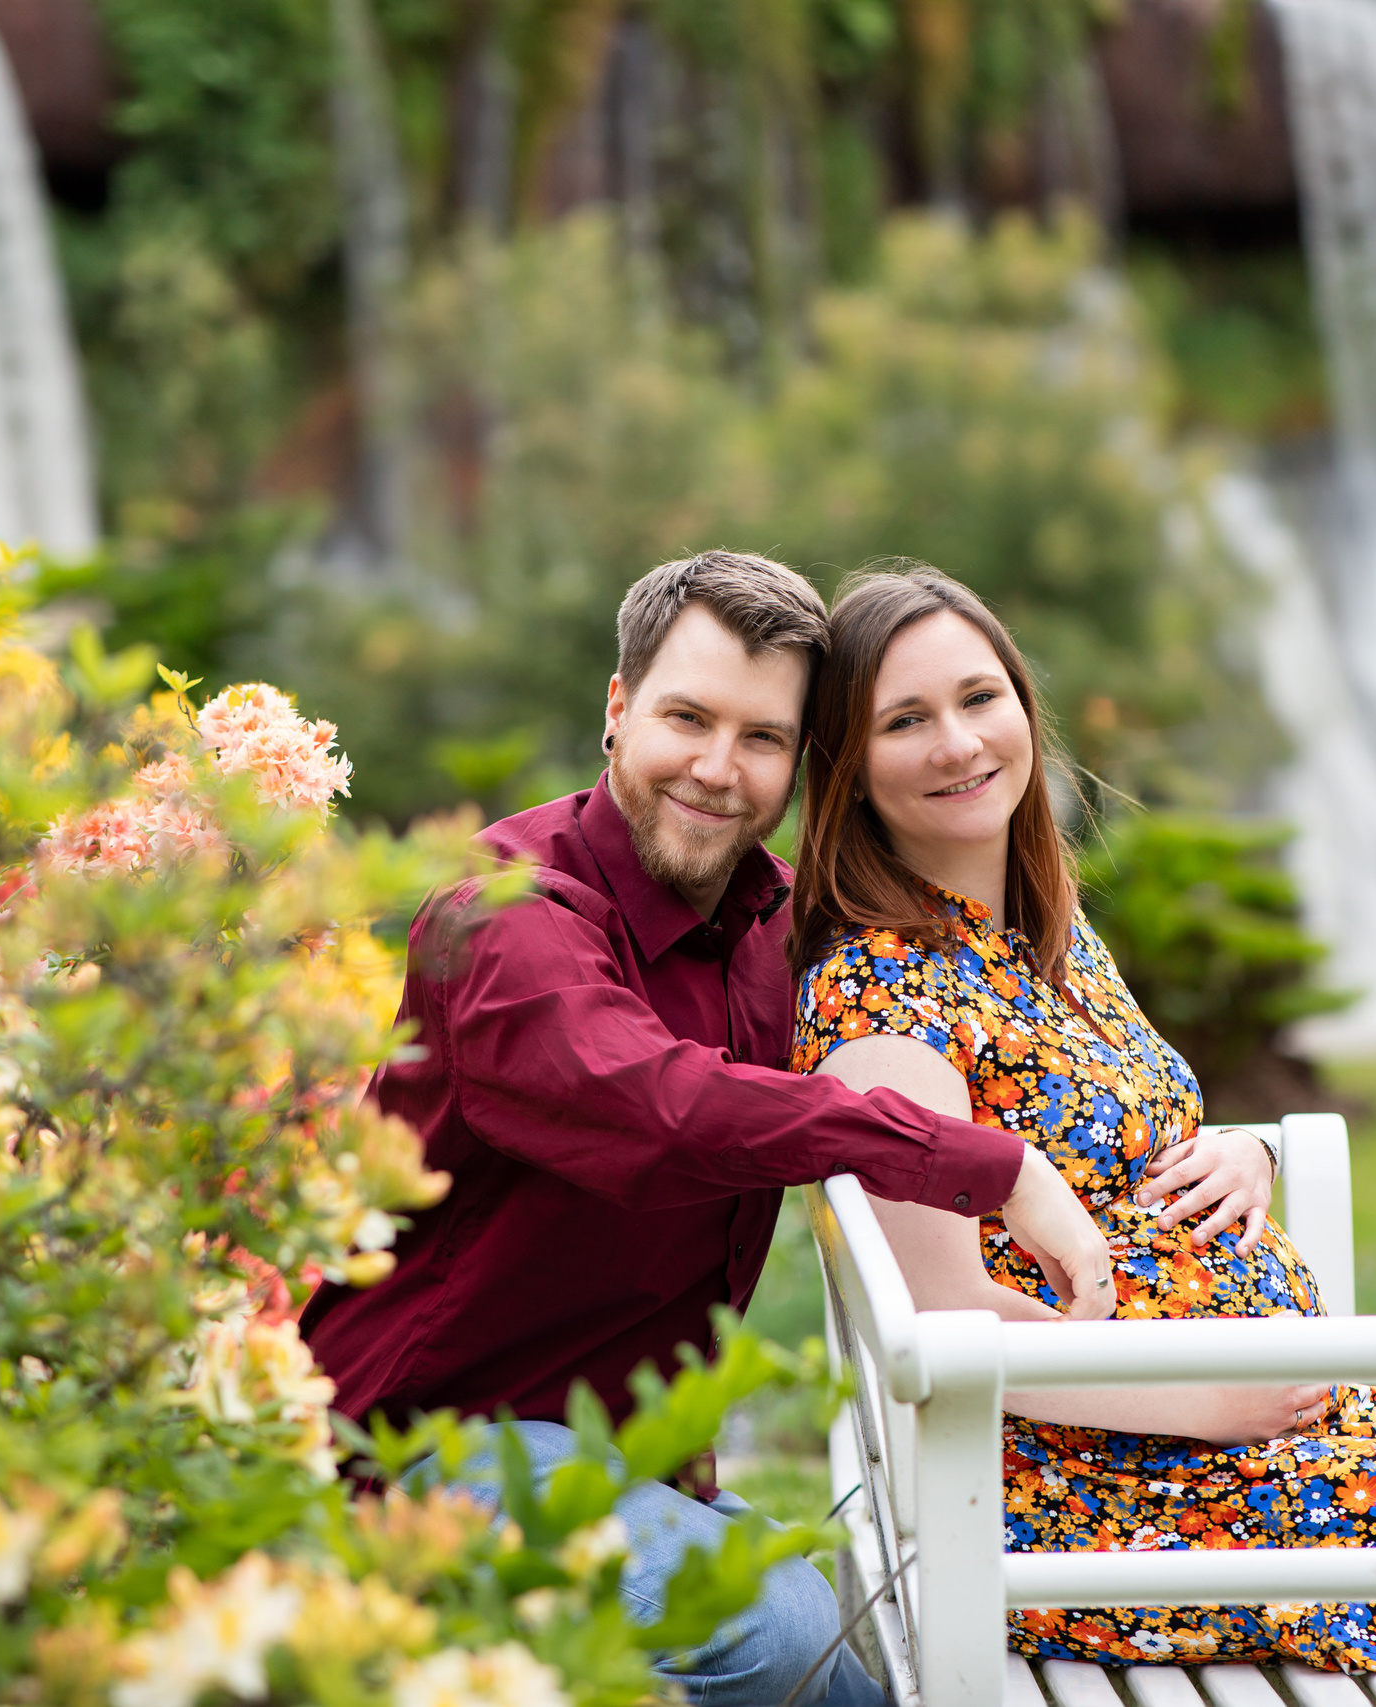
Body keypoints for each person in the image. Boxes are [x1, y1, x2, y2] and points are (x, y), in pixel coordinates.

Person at [301, 551, 1149, 1707]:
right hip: (419, 1449)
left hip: (636, 1460)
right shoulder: (500, 914)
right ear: (616, 709)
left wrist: (1229, 1149)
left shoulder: (771, 926)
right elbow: (654, 1105)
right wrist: (990, 1168)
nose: (716, 769)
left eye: (761, 739)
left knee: (847, 1657)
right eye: (685, 718)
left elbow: (974, 1016)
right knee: (781, 1633)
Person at [786, 564, 1376, 1684]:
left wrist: (1239, 1149)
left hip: (1222, 1439)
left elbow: (1118, 1135)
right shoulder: (884, 1004)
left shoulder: (1047, 943)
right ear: (849, 773)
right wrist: (1211, 1397)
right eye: (905, 721)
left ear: (1023, 709)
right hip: (1099, 1491)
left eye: (977, 697)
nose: (957, 743)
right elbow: (948, 1323)